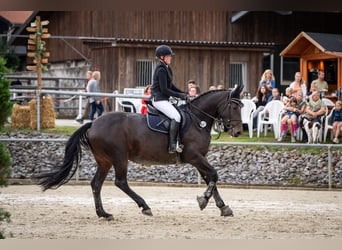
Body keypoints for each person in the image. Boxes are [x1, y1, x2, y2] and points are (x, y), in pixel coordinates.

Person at [150, 45, 188, 154]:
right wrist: (180, 96)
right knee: (176, 117)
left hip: (163, 99)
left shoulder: (166, 67)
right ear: (162, 57)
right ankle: (172, 145)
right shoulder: (161, 69)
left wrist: (183, 93)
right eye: (168, 56)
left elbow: (171, 86)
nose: (170, 58)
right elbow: (165, 89)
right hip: (159, 99)